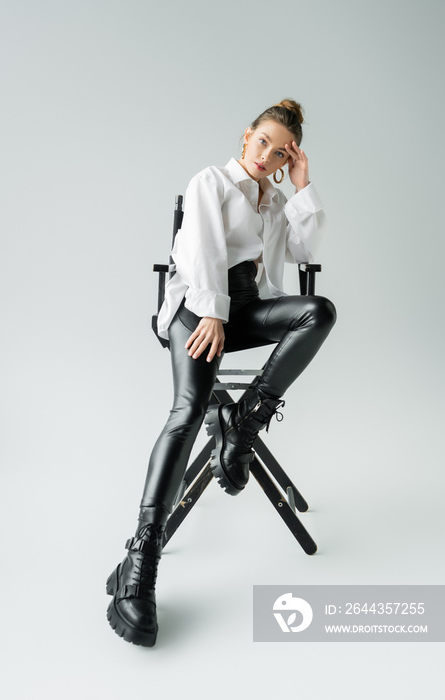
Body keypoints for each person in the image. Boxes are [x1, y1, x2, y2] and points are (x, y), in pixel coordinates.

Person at [106, 99, 337, 647]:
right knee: (186, 413)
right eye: (263, 143)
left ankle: (242, 427)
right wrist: (210, 310)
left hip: (246, 309)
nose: (268, 156)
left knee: (318, 311)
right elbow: (200, 249)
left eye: (281, 152)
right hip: (197, 308)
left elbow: (306, 248)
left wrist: (302, 186)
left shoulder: (277, 199)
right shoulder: (211, 180)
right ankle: (139, 565)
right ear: (245, 139)